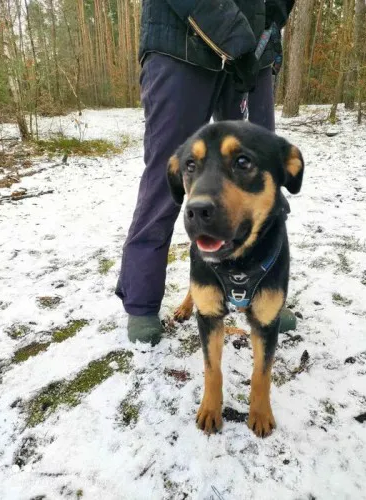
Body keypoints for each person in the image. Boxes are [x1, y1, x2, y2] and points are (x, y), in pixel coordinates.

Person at [116, 0, 295, 345]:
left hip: (254, 50)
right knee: (165, 180)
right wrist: (235, 36)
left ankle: (264, 292)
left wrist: (273, 17)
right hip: (180, 43)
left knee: (261, 177)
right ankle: (142, 302)